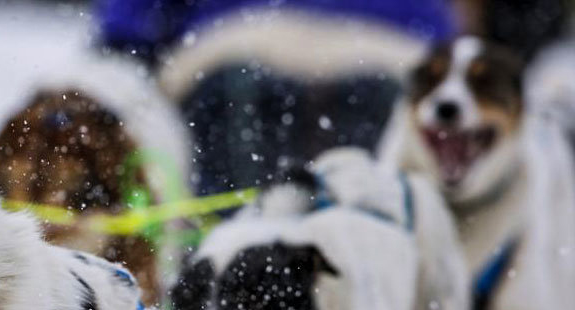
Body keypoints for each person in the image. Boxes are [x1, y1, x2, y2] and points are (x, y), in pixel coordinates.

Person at [95, 0, 457, 198]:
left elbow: (126, 32)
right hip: (391, 45)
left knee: (236, 128)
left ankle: (226, 265)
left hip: (233, 42)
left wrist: (127, 47)